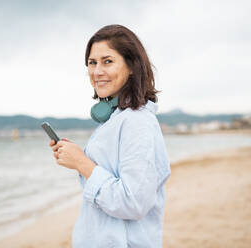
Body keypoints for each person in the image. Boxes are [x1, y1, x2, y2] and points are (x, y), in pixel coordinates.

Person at [49, 24, 171, 248]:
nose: (97, 71)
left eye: (107, 61)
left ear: (132, 66)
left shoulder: (137, 121)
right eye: (92, 63)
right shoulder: (117, 120)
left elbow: (133, 203)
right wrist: (76, 159)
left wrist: (82, 163)